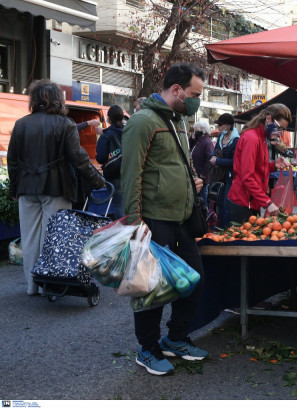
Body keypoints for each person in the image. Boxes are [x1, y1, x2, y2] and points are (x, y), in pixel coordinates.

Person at [121, 62, 207, 376]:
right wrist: (136, 223)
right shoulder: (143, 122)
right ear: (176, 90)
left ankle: (177, 338)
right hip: (153, 220)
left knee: (193, 280)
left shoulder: (180, 121)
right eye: (194, 93)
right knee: (152, 289)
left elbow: (177, 165)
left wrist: (192, 180)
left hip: (182, 218)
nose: (197, 99)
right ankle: (148, 348)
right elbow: (132, 176)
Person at [7, 79, 105, 296]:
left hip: (26, 187)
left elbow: (12, 161)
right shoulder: (65, 124)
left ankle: (32, 286)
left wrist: (14, 189)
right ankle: (48, 284)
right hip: (56, 186)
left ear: (34, 99)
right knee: (53, 236)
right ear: (57, 100)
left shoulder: (21, 124)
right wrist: (97, 181)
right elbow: (78, 158)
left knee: (29, 237)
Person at [226, 103, 292, 223]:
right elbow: (247, 176)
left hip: (251, 202)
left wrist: (273, 165)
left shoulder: (261, 137)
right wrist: (267, 202)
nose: (281, 132)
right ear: (268, 119)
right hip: (242, 202)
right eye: (279, 127)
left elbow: (256, 167)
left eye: (283, 129)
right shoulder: (252, 138)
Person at [209, 113, 239, 228]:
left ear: (227, 126)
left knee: (226, 205)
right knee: (219, 203)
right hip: (219, 176)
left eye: (220, 125)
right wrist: (212, 157)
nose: (218, 127)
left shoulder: (236, 140)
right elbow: (215, 151)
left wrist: (217, 161)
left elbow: (235, 162)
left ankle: (225, 231)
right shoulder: (221, 137)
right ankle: (218, 228)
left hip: (230, 177)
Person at [95, 105, 125, 219]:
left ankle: (121, 234)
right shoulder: (128, 131)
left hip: (114, 174)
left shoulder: (106, 135)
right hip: (130, 172)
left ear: (109, 119)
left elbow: (101, 158)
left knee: (118, 206)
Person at [190, 119, 213, 206]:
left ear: (203, 130)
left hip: (201, 178)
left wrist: (203, 174)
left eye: (197, 130)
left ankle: (204, 218)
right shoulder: (197, 141)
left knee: (202, 202)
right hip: (195, 176)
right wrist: (192, 139)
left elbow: (209, 159)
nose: (195, 132)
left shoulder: (207, 142)